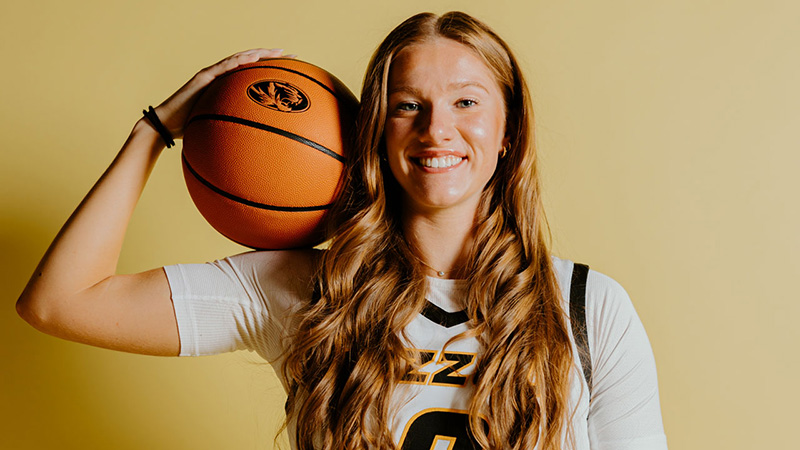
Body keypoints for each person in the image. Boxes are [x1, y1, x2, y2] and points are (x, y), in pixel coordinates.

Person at [16, 11, 667, 450]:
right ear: (376, 133)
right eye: (408, 105)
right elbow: (60, 300)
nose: (437, 128)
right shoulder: (302, 286)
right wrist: (155, 130)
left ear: (508, 132)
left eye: (466, 101)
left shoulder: (586, 309)